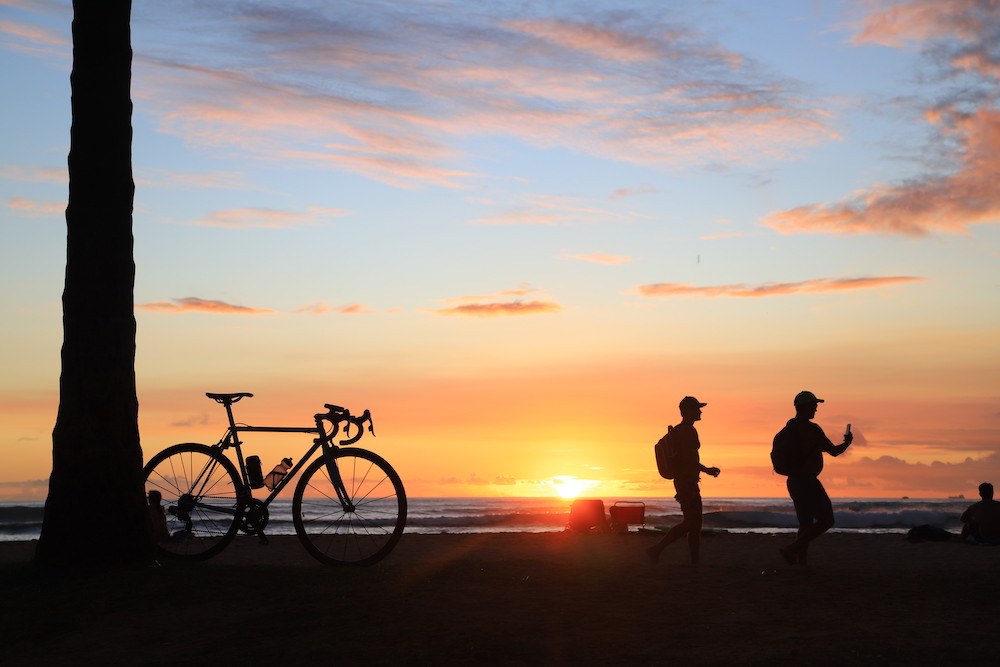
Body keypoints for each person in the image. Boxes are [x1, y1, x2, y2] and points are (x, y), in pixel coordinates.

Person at [777, 391, 853, 565]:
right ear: (804, 407)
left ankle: (800, 562)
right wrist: (847, 443)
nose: (816, 409)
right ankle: (792, 549)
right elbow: (834, 451)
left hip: (793, 481)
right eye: (813, 406)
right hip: (808, 481)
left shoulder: (788, 428)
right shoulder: (812, 429)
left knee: (805, 523)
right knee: (826, 520)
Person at [646, 396, 721, 566]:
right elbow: (689, 459)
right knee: (692, 522)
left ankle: (695, 562)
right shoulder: (687, 431)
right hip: (686, 482)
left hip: (685, 480)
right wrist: (707, 470)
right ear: (687, 411)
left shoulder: (681, 430)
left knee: (695, 524)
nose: (700, 411)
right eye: (697, 408)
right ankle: (656, 549)